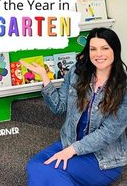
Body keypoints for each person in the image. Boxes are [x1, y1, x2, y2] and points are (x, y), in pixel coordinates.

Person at [20, 27, 127, 186]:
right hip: (69, 142)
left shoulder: (123, 88)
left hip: (103, 157)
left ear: (115, 50)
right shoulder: (77, 73)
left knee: (48, 171)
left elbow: (108, 134)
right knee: (35, 166)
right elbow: (58, 107)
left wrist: (71, 151)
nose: (98, 54)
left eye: (105, 48)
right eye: (93, 49)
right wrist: (44, 76)